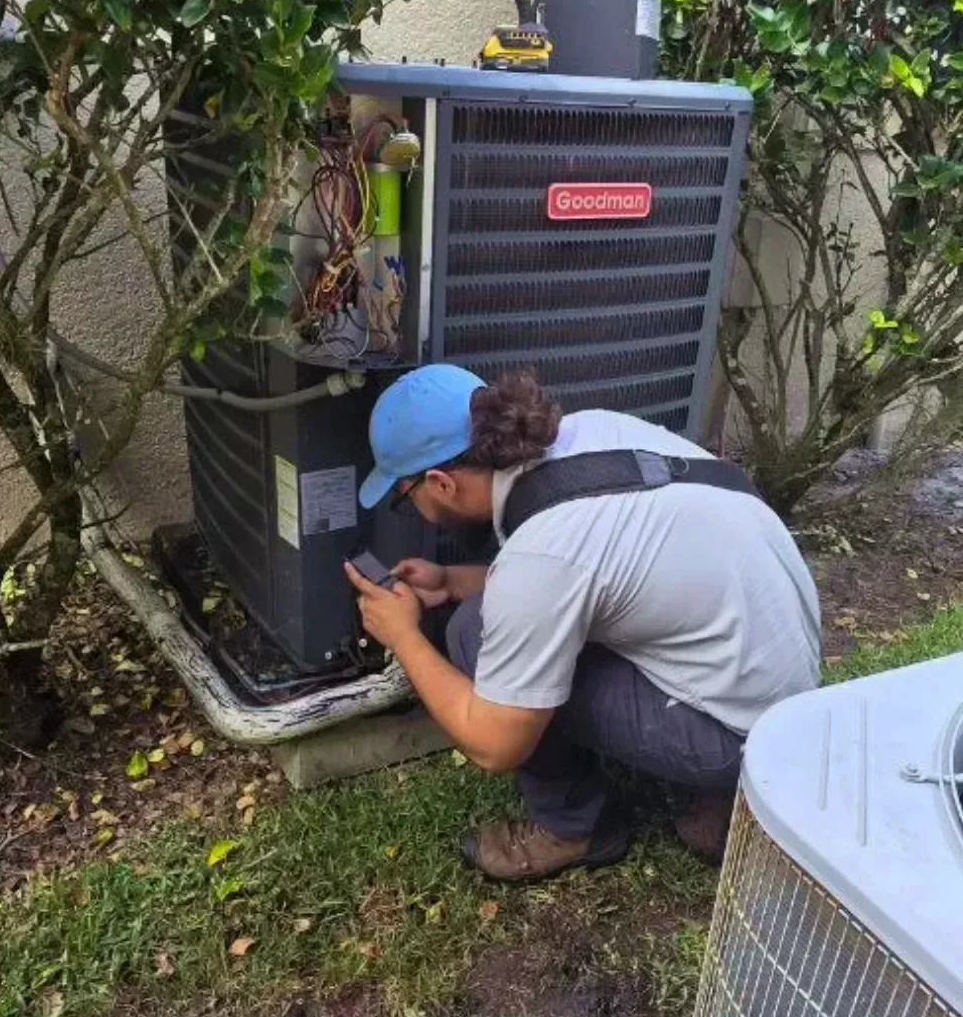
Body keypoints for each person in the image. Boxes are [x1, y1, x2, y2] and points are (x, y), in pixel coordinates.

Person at [343, 364, 821, 882]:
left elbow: (494, 744)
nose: (413, 510)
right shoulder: (592, 431)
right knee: (496, 611)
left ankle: (573, 829)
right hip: (786, 697)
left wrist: (405, 636)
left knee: (472, 632)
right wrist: (454, 581)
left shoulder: (541, 557)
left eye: (406, 498)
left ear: (440, 483)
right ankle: (721, 793)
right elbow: (590, 571)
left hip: (742, 739)